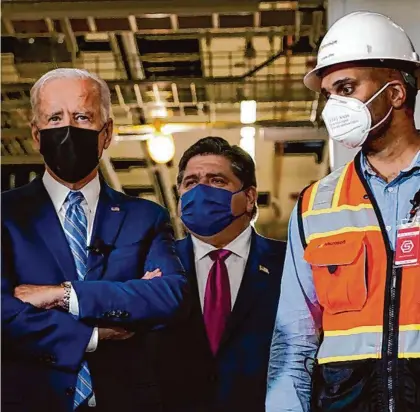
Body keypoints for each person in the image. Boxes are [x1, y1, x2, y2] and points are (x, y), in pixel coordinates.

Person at [1, 68, 187, 412]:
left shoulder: (145, 218)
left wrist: (65, 295)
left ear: (106, 133)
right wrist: (95, 335)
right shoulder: (6, 216)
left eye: (82, 116)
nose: (67, 128)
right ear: (36, 134)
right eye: (54, 117)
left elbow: (168, 296)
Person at [266, 11, 420, 412]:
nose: (334, 107)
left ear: (396, 93)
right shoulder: (317, 204)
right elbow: (295, 337)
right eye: (330, 94)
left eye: (347, 88)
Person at [154, 136, 286, 412]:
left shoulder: (289, 263)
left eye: (217, 181)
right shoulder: (155, 263)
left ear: (249, 197)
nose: (201, 191)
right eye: (190, 183)